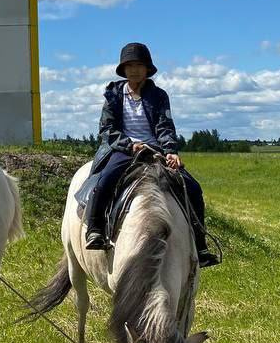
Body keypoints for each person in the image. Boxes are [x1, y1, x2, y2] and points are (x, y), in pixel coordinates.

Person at [83, 42, 219, 267]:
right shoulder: (114, 95)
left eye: (139, 65)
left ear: (147, 69)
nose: (134, 70)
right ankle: (95, 229)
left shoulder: (158, 96)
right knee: (106, 179)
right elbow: (107, 129)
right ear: (123, 70)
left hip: (154, 149)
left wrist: (170, 151)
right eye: (129, 65)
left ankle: (200, 244)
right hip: (124, 149)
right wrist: (129, 145)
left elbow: (164, 125)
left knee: (192, 188)